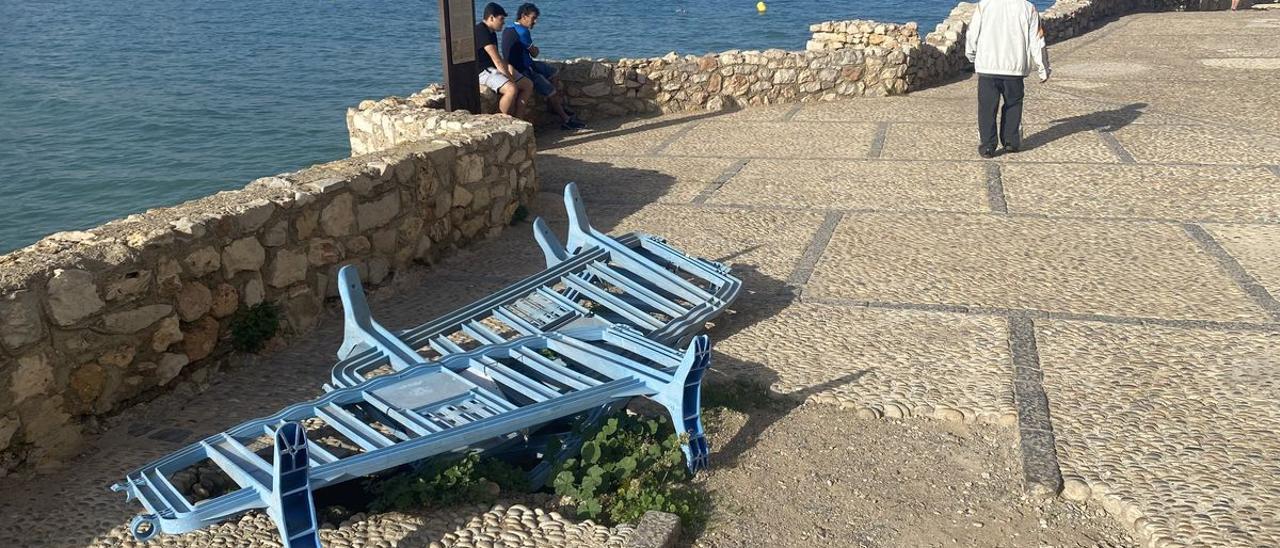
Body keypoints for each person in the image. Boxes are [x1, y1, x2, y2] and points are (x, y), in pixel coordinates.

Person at [965, 0, 1051, 158]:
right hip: (1015, 68)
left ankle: (988, 146)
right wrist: (1043, 68)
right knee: (1013, 104)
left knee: (987, 107)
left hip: (987, 66)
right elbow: (1037, 40)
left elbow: (972, 33)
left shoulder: (984, 5)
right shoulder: (1028, 8)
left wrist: (971, 55)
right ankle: (1011, 141)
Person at [502, 3, 585, 129]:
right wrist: (536, 50)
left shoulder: (509, 28)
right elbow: (534, 53)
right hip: (523, 69)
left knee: (554, 72)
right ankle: (566, 119)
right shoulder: (523, 32)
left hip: (524, 63)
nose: (535, 22)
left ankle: (553, 105)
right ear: (524, 16)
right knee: (551, 91)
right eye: (533, 18)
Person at [476, 3, 533, 118]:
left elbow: (499, 59)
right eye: (501, 19)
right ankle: (503, 121)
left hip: (492, 68)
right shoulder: (481, 31)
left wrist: (509, 67)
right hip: (482, 71)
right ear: (491, 18)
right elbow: (496, 59)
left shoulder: (491, 32)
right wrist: (509, 78)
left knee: (528, 85)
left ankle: (519, 120)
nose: (503, 22)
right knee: (511, 89)